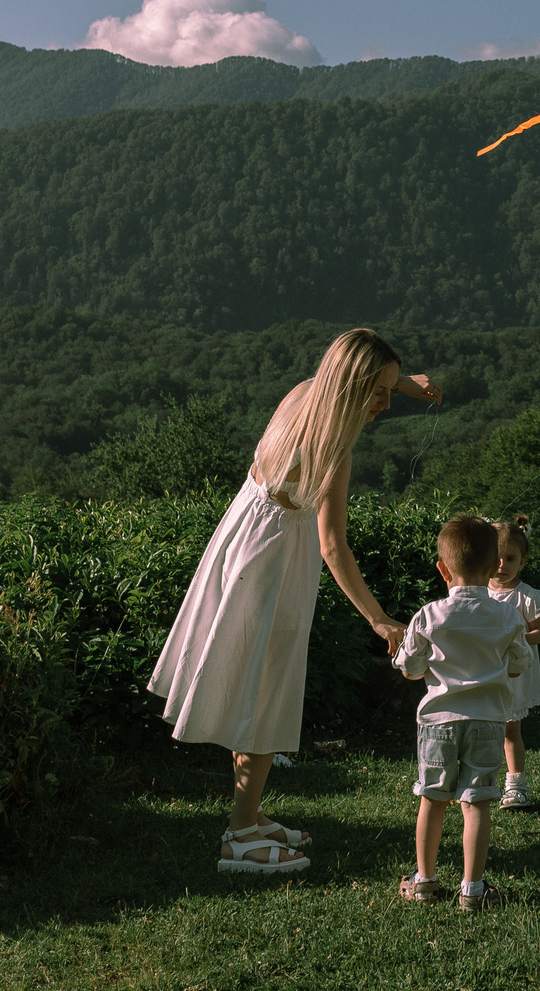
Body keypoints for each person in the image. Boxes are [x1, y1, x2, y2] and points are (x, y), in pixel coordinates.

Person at [147, 328, 441, 876]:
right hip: (276, 561)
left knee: (257, 682)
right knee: (266, 691)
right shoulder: (332, 449)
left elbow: (358, 369)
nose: (385, 402)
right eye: (379, 393)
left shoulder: (306, 394)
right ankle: (239, 838)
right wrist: (379, 620)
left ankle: (250, 814)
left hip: (244, 537)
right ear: (351, 388)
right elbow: (334, 546)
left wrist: (407, 385)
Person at [394, 514, 530, 913]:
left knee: (432, 800)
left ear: (442, 568)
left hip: (438, 723)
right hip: (488, 721)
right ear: (493, 568)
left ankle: (424, 882)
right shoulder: (508, 615)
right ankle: (472, 889)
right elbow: (519, 664)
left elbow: (410, 668)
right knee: (477, 803)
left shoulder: (429, 615)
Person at [486, 516, 540, 811]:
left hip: (514, 673)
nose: (502, 565)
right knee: (482, 729)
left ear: (522, 561)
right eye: (496, 558)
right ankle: (480, 782)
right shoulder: (478, 593)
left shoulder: (526, 597)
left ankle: (516, 785)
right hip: (484, 671)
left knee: (510, 730)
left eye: (510, 558)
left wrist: (519, 637)